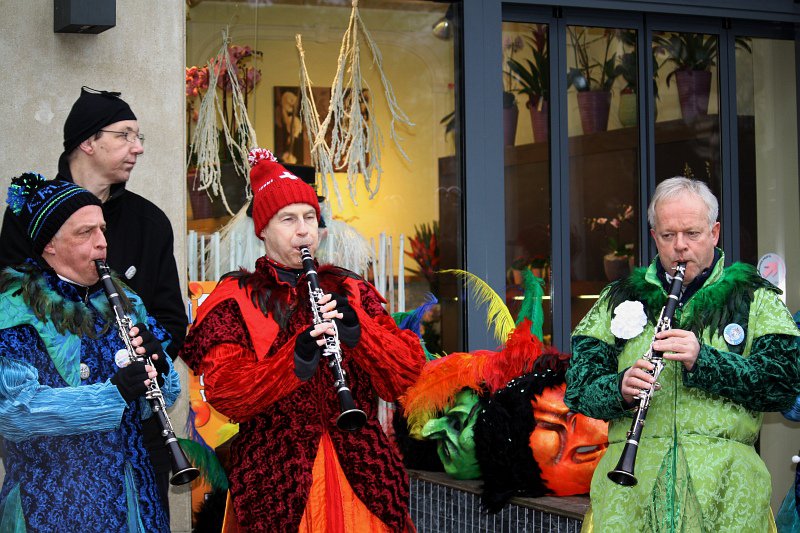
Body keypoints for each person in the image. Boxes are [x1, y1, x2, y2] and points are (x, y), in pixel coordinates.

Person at [179, 147, 425, 532]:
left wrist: (361, 332)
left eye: (310, 217)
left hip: (364, 477)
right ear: (262, 229)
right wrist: (293, 362)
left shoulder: (351, 289)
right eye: (288, 219)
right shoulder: (235, 298)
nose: (303, 230)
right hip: (276, 480)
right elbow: (227, 395)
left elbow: (405, 376)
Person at [565, 176, 800, 531]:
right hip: (630, 500)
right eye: (668, 235)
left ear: (714, 232)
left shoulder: (756, 297)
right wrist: (619, 388)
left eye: (692, 233)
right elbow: (578, 388)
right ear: (654, 236)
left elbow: (782, 385)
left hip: (726, 496)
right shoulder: (618, 297)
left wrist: (704, 361)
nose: (680, 246)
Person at [0, 86, 188, 513]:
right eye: (124, 135)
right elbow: (16, 392)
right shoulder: (28, 219)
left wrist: (152, 365)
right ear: (88, 141)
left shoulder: (149, 223)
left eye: (139, 136)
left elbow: (168, 321)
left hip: (134, 445)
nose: (137, 147)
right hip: (53, 468)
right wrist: (104, 393)